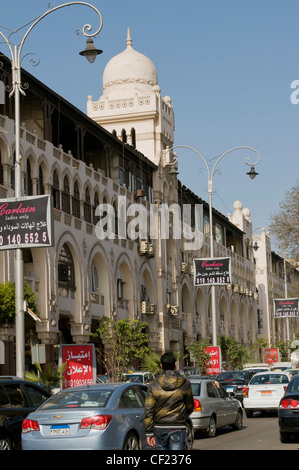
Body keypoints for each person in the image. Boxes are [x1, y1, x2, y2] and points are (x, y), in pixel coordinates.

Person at [144, 352, 194, 450]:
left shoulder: (153, 384)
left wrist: (149, 432)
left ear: (161, 366)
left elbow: (149, 408)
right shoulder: (185, 383)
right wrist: (181, 416)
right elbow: (190, 406)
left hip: (159, 428)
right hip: (178, 427)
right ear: (175, 364)